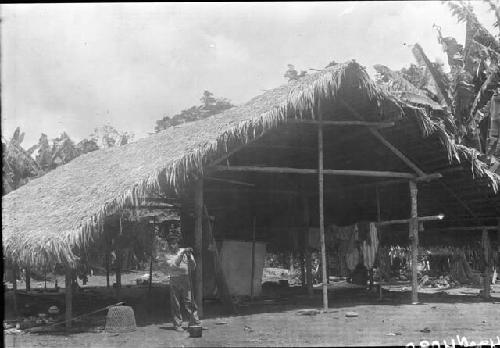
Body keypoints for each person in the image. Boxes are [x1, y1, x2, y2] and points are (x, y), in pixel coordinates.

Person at [155, 228, 201, 332]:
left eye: (174, 243)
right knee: (175, 303)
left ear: (177, 243)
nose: (172, 245)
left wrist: (189, 257)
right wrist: (181, 255)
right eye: (170, 244)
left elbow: (193, 267)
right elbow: (174, 266)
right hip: (174, 279)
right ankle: (177, 324)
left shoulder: (185, 251)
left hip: (185, 279)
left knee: (189, 301)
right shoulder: (167, 255)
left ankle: (194, 322)